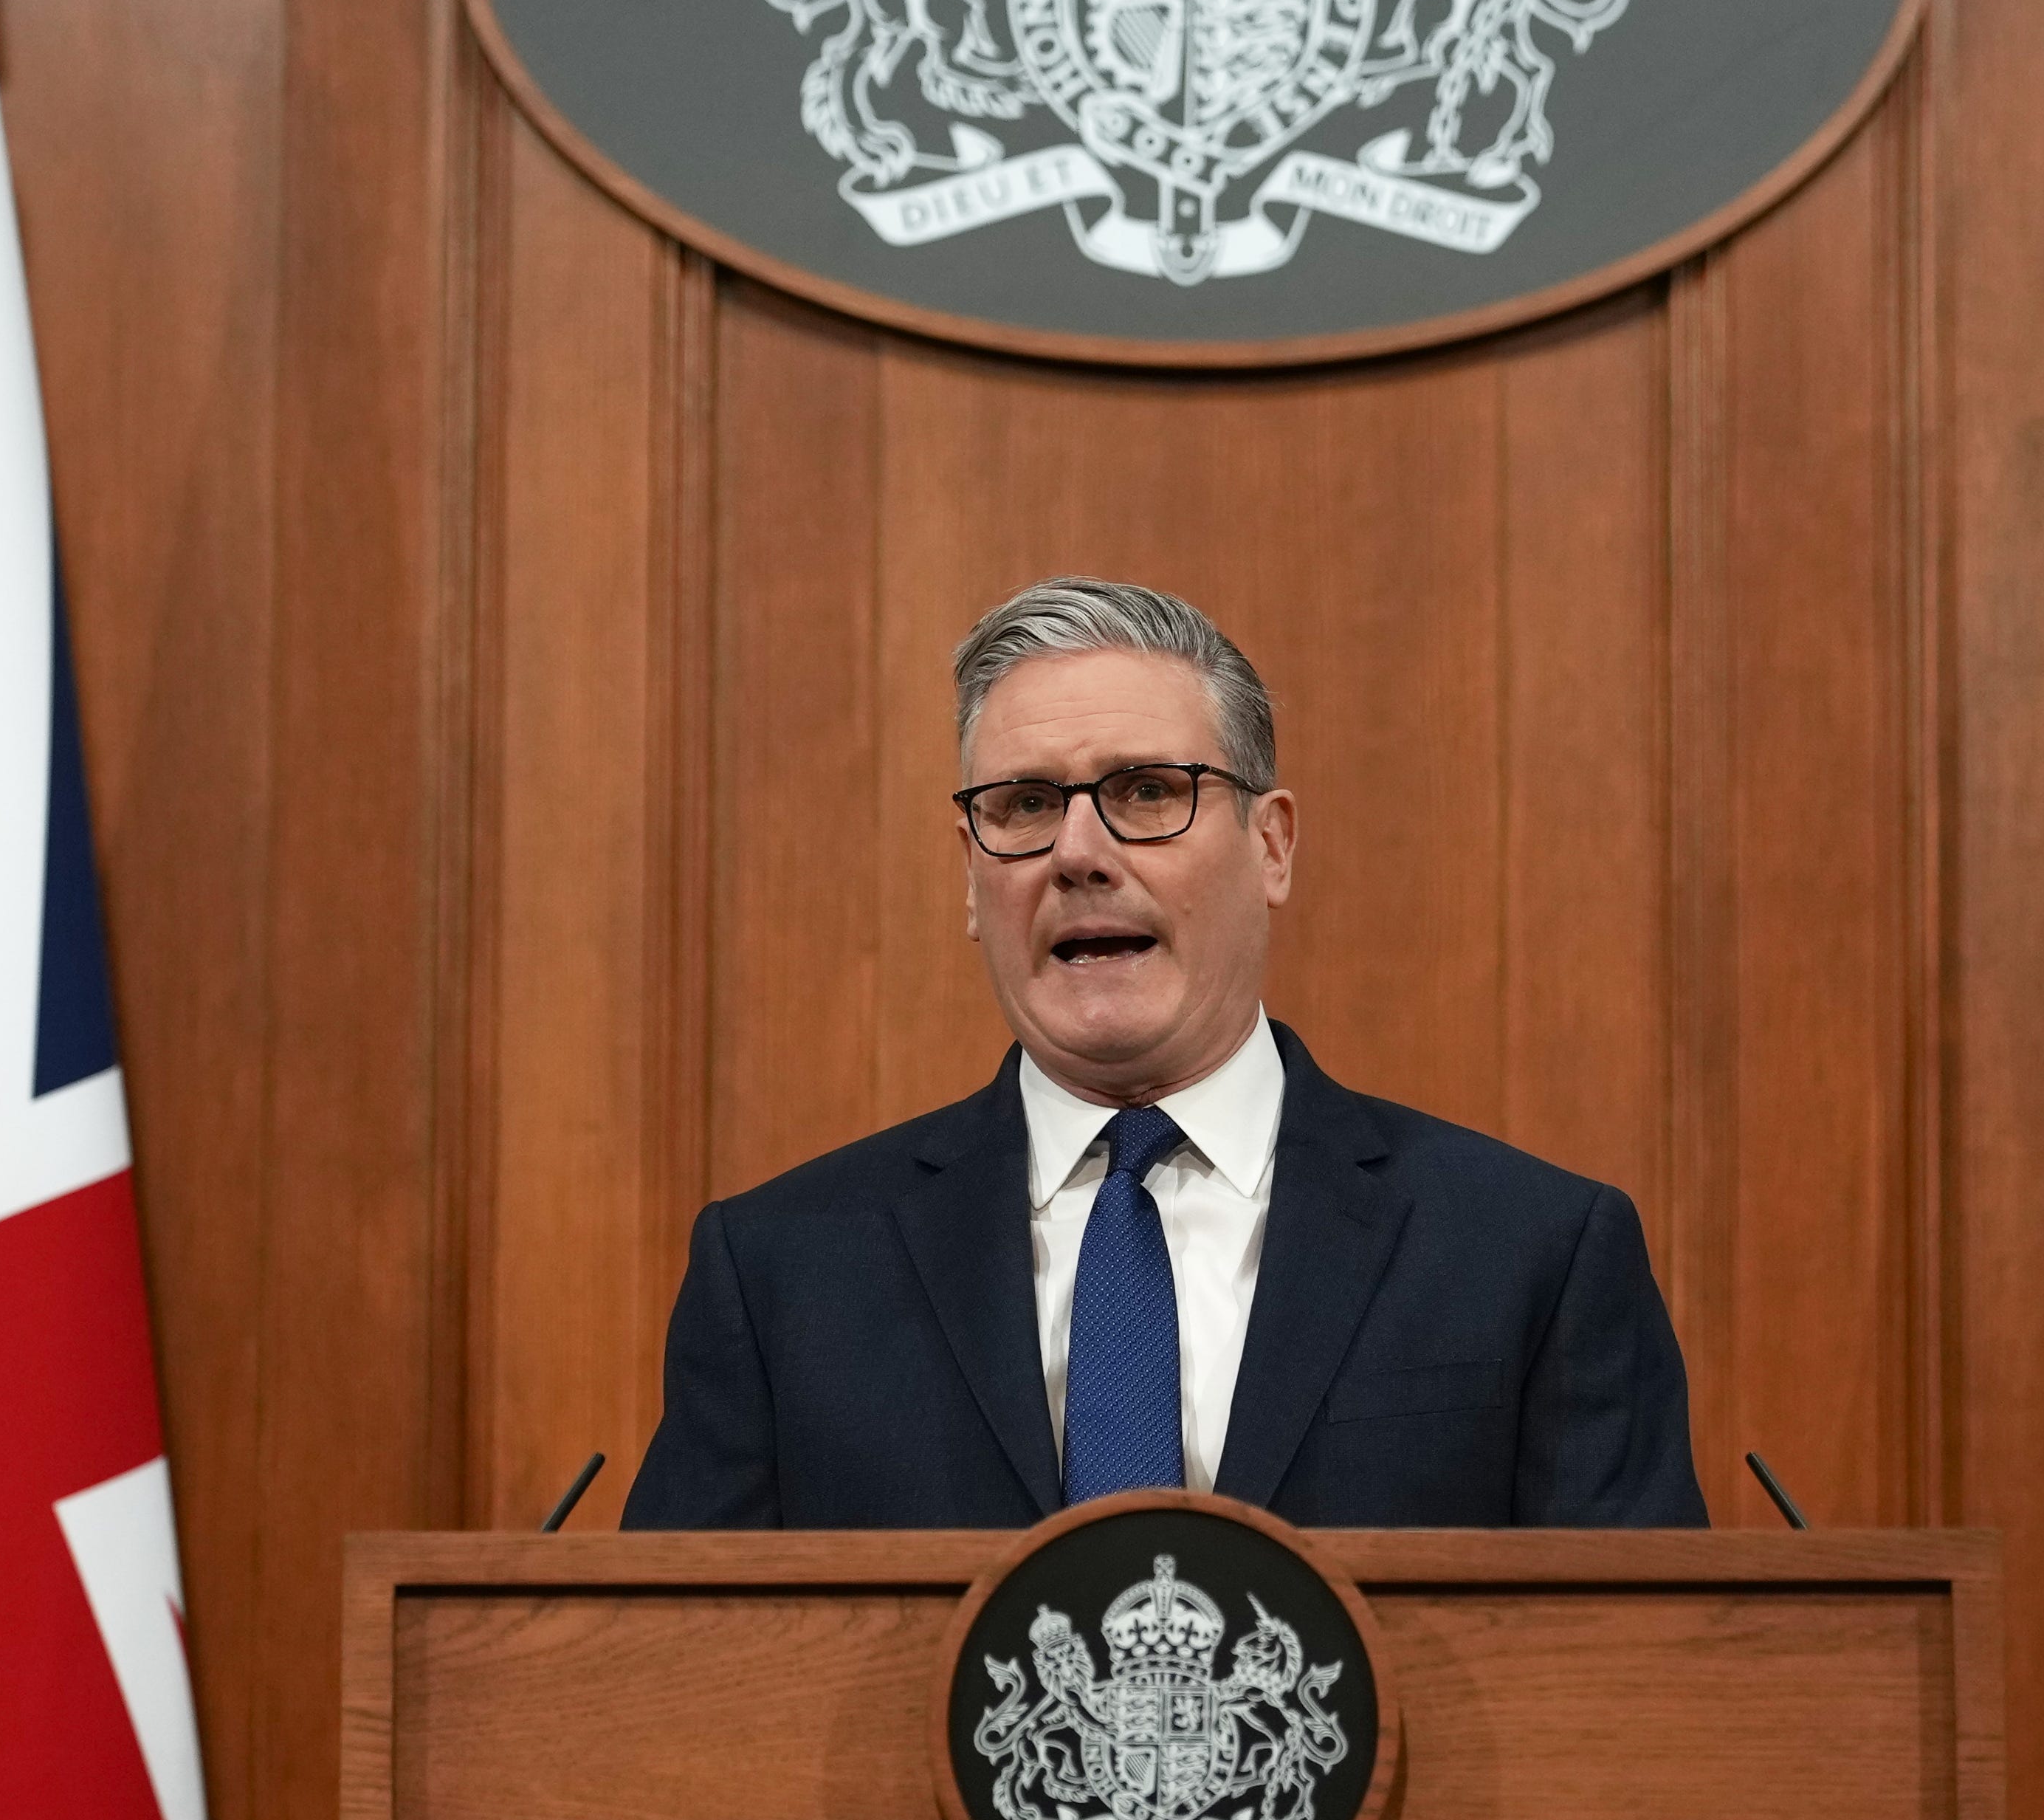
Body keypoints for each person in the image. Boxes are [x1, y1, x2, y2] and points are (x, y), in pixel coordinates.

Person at [619, 577, 1707, 1529]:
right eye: (1026, 804)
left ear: (1271, 844)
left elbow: (1639, 1695)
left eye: (1147, 791)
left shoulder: (1531, 1253)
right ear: (969, 874)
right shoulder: (780, 1275)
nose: (1078, 852)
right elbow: (668, 1689)